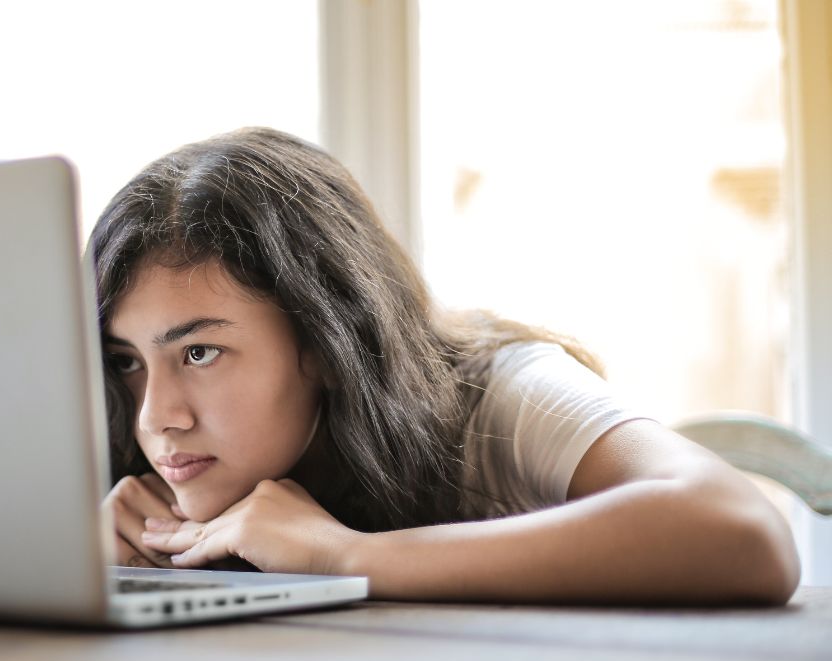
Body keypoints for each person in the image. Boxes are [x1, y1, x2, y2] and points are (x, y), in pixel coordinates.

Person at [90, 127, 799, 605]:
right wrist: (80, 563)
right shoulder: (144, 467)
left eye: (200, 352)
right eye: (127, 360)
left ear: (328, 341)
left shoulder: (501, 393)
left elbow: (742, 531)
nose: (158, 416)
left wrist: (344, 558)